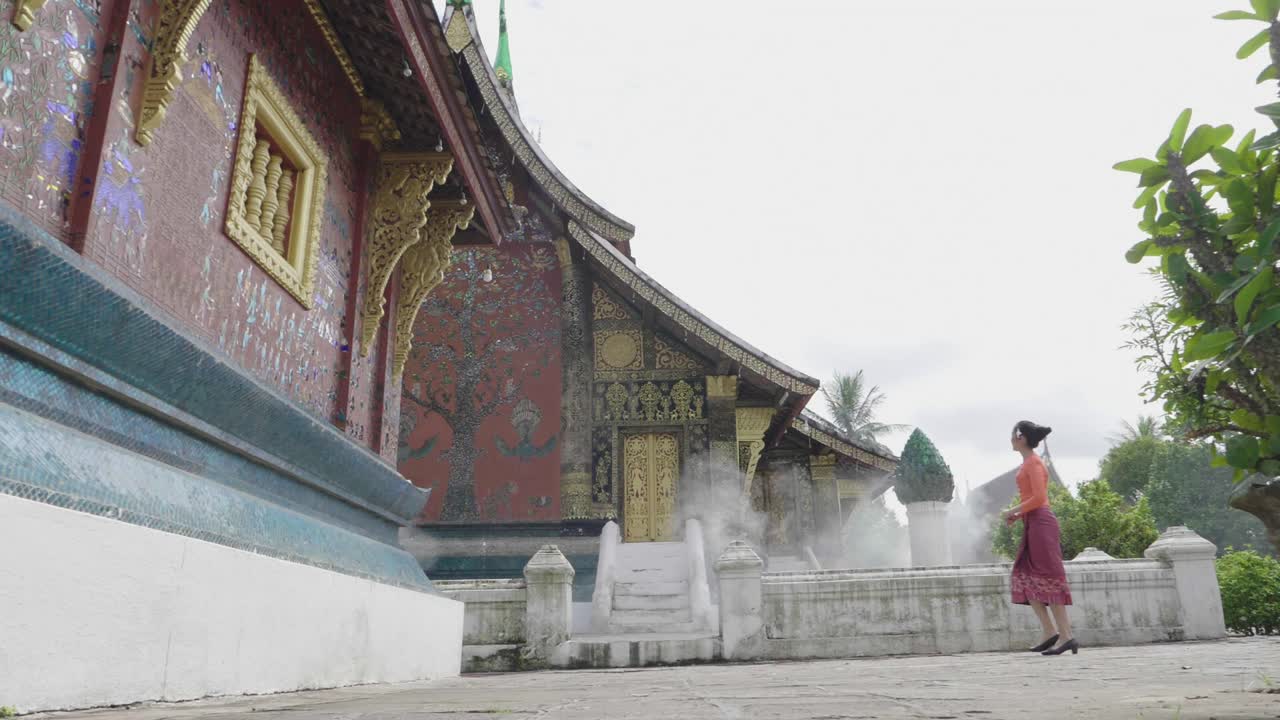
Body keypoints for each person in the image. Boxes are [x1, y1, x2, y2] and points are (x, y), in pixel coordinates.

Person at [1004, 420, 1078, 656]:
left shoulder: (1035, 463)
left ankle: (1066, 636)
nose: (1011, 439)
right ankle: (1049, 631)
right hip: (1032, 523)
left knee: (1050, 578)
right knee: (1023, 576)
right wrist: (1019, 515)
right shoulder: (1028, 463)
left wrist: (1013, 510)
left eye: (1013, 435)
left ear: (1021, 438)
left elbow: (1038, 498)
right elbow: (1032, 499)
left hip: (1042, 523)